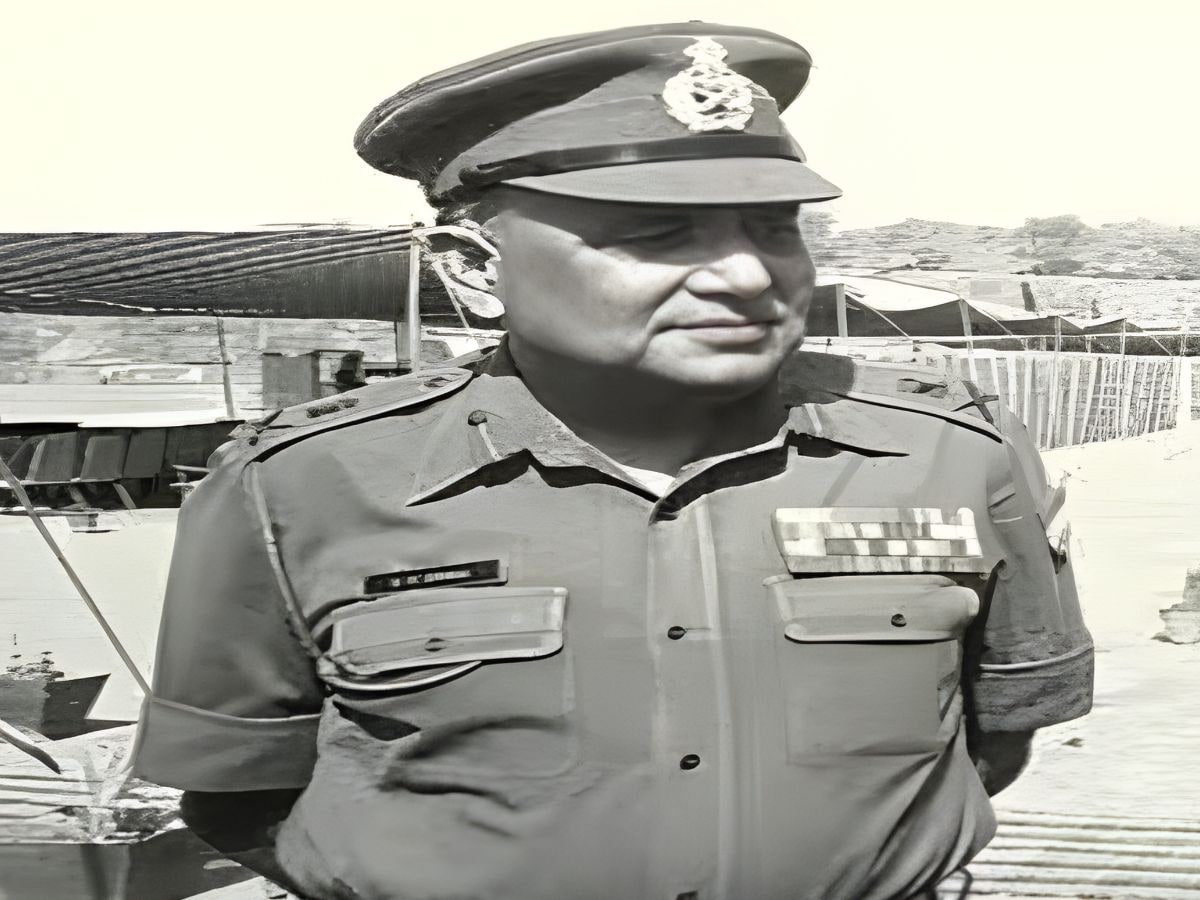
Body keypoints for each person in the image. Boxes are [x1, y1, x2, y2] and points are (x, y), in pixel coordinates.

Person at [132, 22, 1093, 900]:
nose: (748, 275)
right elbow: (240, 792)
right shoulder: (302, 483)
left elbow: (994, 736)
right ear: (473, 268)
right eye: (654, 233)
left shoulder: (950, 452)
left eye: (775, 226)